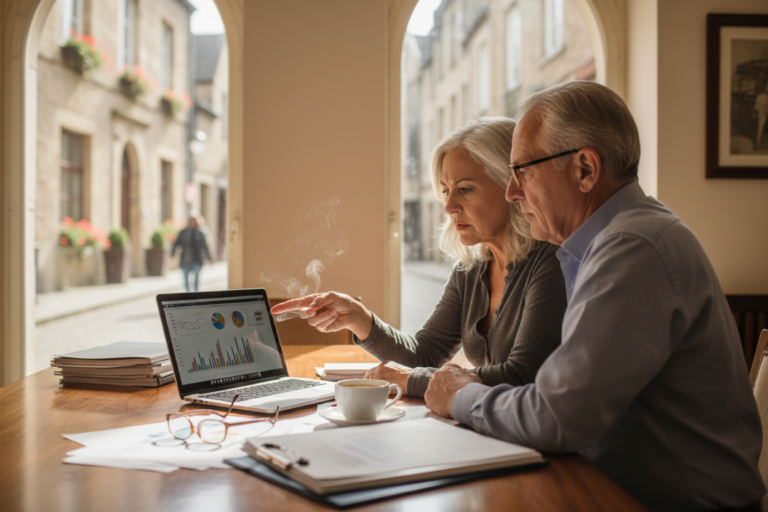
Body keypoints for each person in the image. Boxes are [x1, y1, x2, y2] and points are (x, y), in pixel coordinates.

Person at [423, 82, 765, 511]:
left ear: (585, 169)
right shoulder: (605, 244)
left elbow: (556, 416)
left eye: (522, 171)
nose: (513, 192)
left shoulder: (634, 247)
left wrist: (459, 394)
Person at [271, 117, 567, 398]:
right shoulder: (472, 269)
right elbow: (425, 354)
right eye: (446, 191)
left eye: (465, 189)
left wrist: (413, 381)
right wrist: (360, 319)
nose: (449, 205)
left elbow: (524, 376)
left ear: (512, 187)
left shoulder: (553, 262)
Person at [172, 215, 212, 292]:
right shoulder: (183, 233)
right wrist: (172, 255)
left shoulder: (199, 233)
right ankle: (188, 293)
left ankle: (195, 293)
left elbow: (204, 246)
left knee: (196, 280)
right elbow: (176, 244)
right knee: (186, 281)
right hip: (185, 260)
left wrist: (209, 258)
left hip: (197, 260)